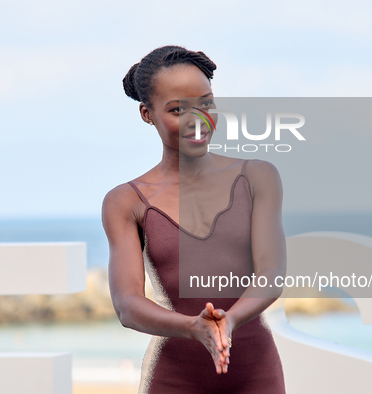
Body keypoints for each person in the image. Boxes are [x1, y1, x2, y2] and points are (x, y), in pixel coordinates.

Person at [102, 45, 287, 393]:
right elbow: (127, 305)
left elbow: (272, 274)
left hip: (256, 374)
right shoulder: (126, 201)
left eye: (206, 103)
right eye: (177, 109)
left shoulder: (258, 178)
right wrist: (192, 327)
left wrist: (228, 320)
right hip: (175, 379)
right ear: (147, 113)